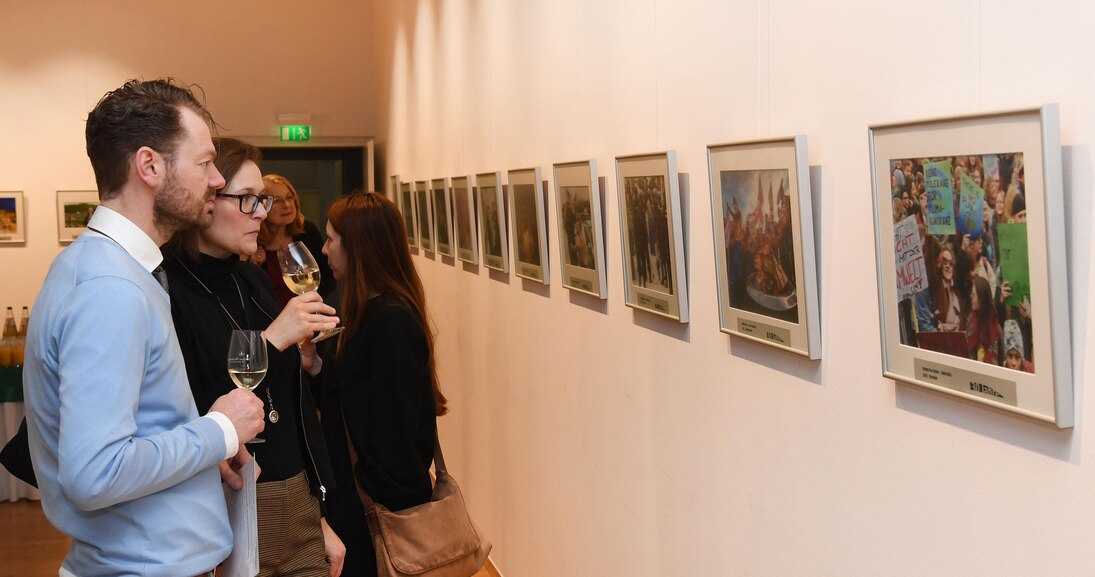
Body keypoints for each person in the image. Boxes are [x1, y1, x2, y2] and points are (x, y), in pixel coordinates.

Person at [22, 78, 265, 577]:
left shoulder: (106, 268)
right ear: (151, 166)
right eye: (204, 164)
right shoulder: (110, 288)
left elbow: (135, 434)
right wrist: (219, 431)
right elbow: (96, 473)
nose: (216, 180)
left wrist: (191, 466)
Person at [163, 138, 346, 577]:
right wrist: (275, 338)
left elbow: (291, 403)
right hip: (227, 503)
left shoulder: (250, 276)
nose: (262, 212)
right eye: (247, 200)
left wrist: (317, 514)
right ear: (204, 201)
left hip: (296, 494)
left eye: (260, 199)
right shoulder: (168, 289)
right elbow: (194, 408)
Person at [309, 192, 449, 577]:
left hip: (377, 511)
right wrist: (319, 367)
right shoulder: (368, 312)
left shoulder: (390, 321)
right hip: (360, 503)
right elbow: (354, 403)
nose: (324, 250)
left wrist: (370, 501)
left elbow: (398, 435)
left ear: (358, 248)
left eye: (331, 239)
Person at [257, 174, 336, 307]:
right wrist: (253, 266)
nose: (287, 205)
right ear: (263, 206)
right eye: (277, 201)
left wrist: (310, 302)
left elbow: (329, 279)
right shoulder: (252, 239)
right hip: (269, 321)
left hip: (309, 314)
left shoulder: (307, 231)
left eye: (289, 197)